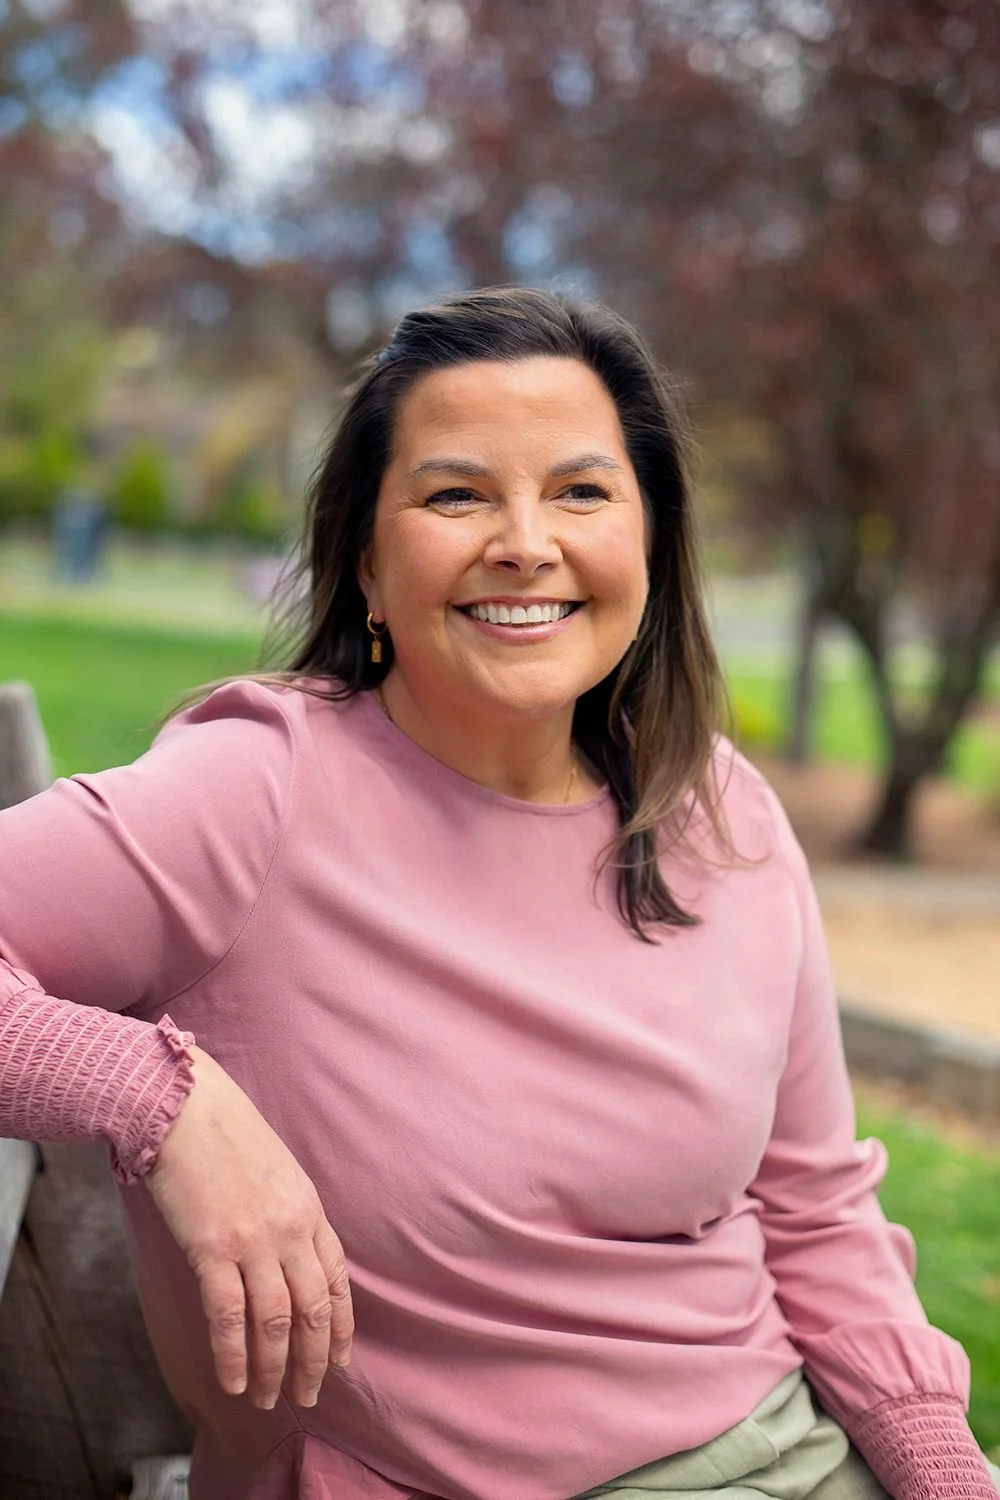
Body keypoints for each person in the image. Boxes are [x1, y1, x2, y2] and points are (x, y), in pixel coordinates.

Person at [0, 288, 996, 1500]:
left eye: (580, 491)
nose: (526, 542)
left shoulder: (719, 812)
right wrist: (162, 1101)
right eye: (456, 493)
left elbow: (814, 1205)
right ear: (366, 561)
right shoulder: (255, 789)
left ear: (650, 545)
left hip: (782, 1451)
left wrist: (942, 1472)